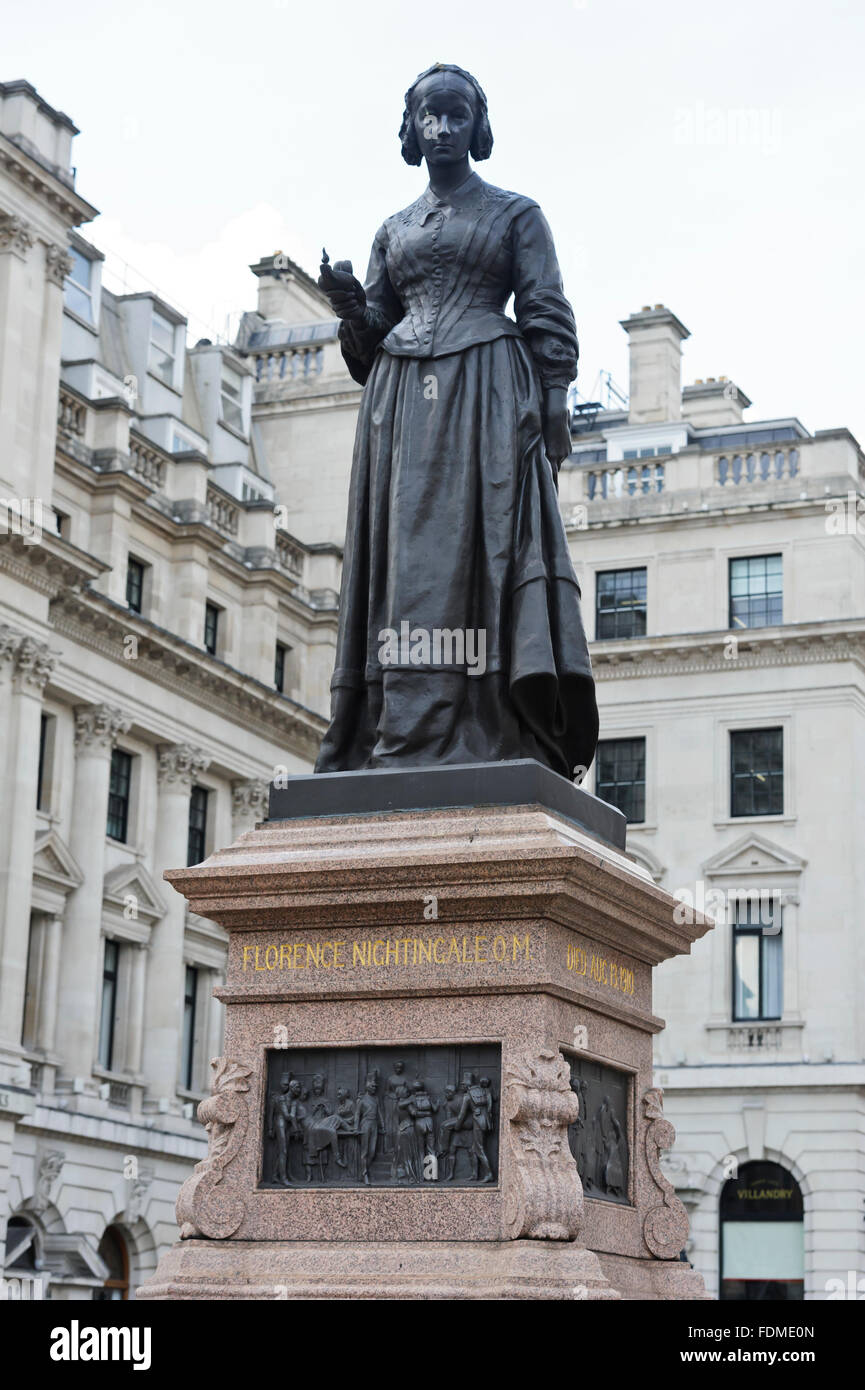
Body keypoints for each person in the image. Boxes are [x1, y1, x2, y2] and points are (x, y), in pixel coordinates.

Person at [315, 63, 598, 776]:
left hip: (487, 391)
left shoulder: (515, 213)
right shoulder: (393, 227)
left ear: (477, 126)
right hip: (400, 398)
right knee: (405, 557)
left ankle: (491, 718)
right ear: (409, 129)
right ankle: (396, 725)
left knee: (480, 546)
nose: (441, 128)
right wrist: (350, 304)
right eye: (427, 117)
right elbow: (374, 336)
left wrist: (556, 400)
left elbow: (544, 309)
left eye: (455, 115)